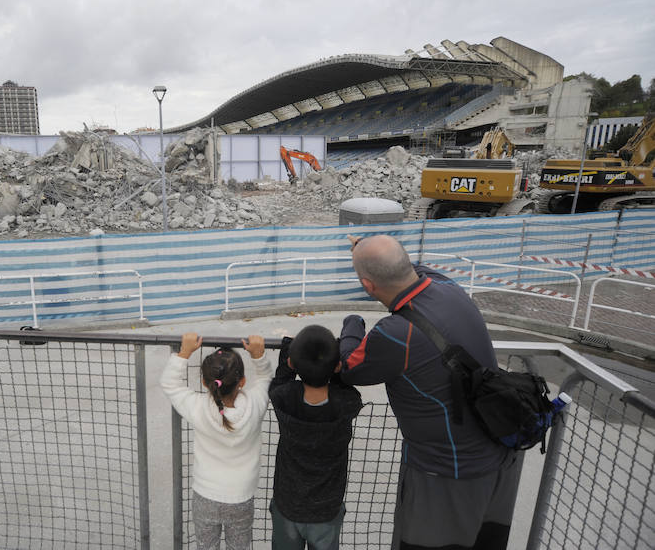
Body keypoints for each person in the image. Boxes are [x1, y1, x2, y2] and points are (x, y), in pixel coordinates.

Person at [338, 234, 520, 550]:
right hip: (500, 456)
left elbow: (350, 367)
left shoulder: (395, 334)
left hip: (447, 476)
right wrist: (368, 251)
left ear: (368, 287)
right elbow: (407, 269)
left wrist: (351, 325)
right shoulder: (452, 290)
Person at [160, 332, 272, 550]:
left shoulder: (198, 407)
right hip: (241, 497)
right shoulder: (256, 403)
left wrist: (184, 352)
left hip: (206, 495)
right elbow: (266, 379)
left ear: (204, 382)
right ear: (243, 381)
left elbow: (169, 384)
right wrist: (259, 356)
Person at [268, 324, 363, 550]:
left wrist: (287, 351)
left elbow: (281, 380)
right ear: (337, 365)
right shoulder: (346, 404)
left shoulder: (284, 398)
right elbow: (348, 388)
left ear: (292, 362)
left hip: (287, 505)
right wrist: (338, 365)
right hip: (326, 509)